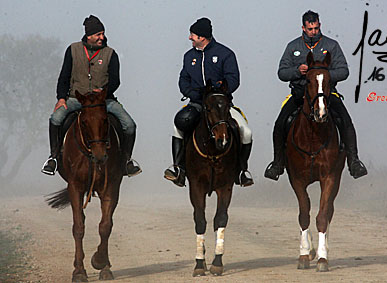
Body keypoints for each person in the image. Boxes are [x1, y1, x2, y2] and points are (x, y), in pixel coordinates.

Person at [264, 10, 367, 180]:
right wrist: (297, 71)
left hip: (327, 94)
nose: (314, 31)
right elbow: (282, 72)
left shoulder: (332, 45)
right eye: (310, 28)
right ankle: (278, 163)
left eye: (316, 28)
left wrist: (322, 75)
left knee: (345, 120)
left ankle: (354, 162)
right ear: (303, 28)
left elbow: (344, 71)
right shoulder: (293, 46)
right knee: (280, 123)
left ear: (320, 26)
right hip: (299, 94)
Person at [41, 15, 142, 177]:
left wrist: (103, 92)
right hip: (76, 99)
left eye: (103, 33)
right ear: (89, 36)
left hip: (104, 100)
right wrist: (61, 98)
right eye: (98, 34)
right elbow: (64, 77)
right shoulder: (73, 50)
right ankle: (53, 158)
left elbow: (115, 81)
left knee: (129, 125)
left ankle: (126, 161)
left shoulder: (110, 54)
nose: (102, 37)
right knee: (56, 119)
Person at [164, 17, 254, 187]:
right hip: (197, 103)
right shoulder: (188, 56)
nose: (190, 38)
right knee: (178, 124)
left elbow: (234, 79)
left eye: (193, 35)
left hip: (221, 104)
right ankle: (179, 168)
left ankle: (242, 171)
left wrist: (221, 90)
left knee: (246, 132)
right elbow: (183, 79)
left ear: (202, 37)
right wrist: (192, 93)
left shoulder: (225, 54)